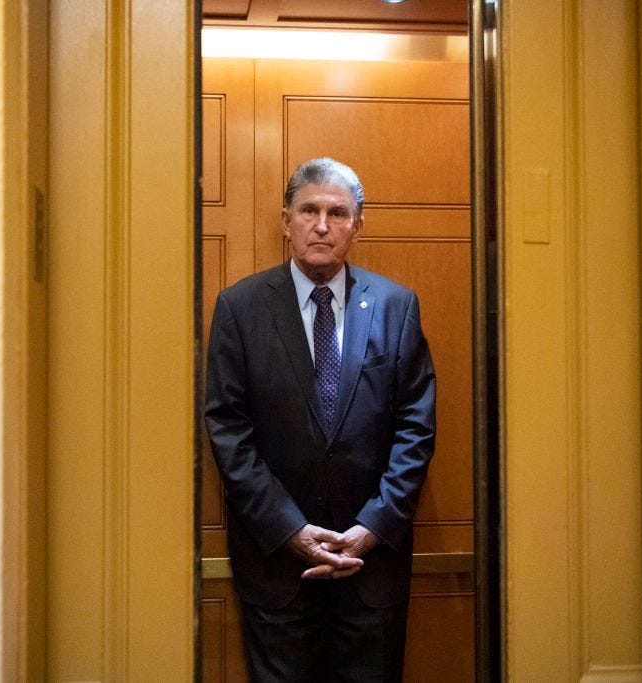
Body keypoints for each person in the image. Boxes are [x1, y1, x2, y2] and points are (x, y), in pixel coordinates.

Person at [203, 157, 437, 681]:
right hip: (276, 563)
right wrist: (289, 528)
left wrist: (373, 526)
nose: (322, 225)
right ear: (286, 221)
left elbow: (416, 427)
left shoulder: (396, 306)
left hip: (371, 562)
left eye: (338, 213)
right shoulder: (240, 307)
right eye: (309, 211)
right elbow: (227, 429)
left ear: (358, 224)